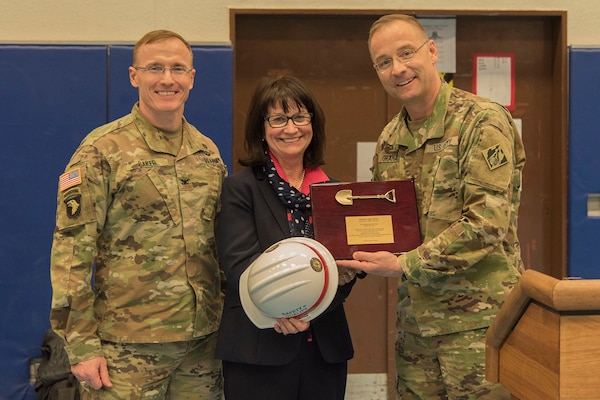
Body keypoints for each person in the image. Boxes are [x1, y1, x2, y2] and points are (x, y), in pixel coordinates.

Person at [337, 14, 526, 399]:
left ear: (433, 51)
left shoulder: (481, 121)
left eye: (406, 53)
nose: (398, 69)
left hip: (479, 327)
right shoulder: (390, 138)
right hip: (416, 329)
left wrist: (406, 264)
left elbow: (485, 224)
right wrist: (344, 258)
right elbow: (383, 225)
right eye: (384, 62)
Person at [49, 29, 227, 399]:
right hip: (126, 347)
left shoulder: (206, 153)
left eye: (178, 68)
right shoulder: (102, 150)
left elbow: (222, 242)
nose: (167, 79)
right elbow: (72, 252)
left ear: (192, 77)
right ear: (134, 76)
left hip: (202, 345)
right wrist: (81, 344)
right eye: (154, 68)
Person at [215, 74, 358, 400]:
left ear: (313, 123)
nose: (290, 128)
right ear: (261, 128)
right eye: (278, 118)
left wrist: (311, 311)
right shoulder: (241, 189)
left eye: (299, 117)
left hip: (325, 350)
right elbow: (240, 267)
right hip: (259, 349)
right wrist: (279, 311)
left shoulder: (335, 192)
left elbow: (345, 271)